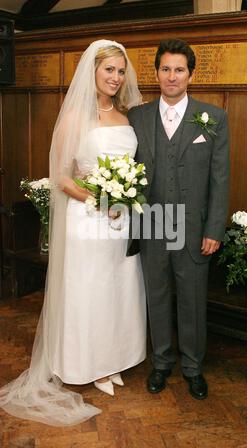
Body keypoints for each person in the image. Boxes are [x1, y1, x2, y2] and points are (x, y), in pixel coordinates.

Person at [0, 39, 146, 426]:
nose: (115, 77)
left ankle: (116, 357)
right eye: (108, 70)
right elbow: (61, 176)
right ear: (92, 73)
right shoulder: (74, 119)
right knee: (90, 288)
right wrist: (96, 198)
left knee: (120, 285)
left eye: (120, 70)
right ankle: (90, 364)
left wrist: (123, 197)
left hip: (121, 220)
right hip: (88, 217)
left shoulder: (128, 116)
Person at [128, 39, 229, 400]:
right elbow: (125, 172)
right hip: (152, 223)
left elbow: (220, 177)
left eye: (179, 69)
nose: (172, 76)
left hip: (193, 228)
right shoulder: (136, 117)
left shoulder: (213, 117)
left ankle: (193, 368)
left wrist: (215, 228)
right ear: (157, 72)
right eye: (166, 69)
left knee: (192, 299)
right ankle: (160, 363)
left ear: (190, 74)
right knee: (156, 296)